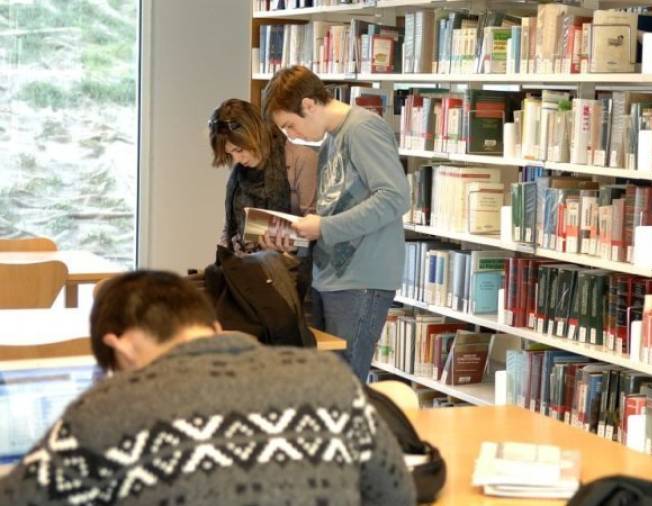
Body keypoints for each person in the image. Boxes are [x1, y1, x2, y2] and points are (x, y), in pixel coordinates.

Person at [0, 271, 416, 506]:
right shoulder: (330, 381)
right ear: (214, 328)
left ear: (119, 346)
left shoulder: (105, 412)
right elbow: (394, 496)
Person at [262, 66, 410, 382]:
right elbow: (335, 208)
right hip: (329, 277)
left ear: (309, 105)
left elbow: (395, 198)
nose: (292, 136)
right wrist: (298, 236)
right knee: (324, 384)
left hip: (361, 280)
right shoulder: (331, 140)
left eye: (290, 125)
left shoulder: (363, 130)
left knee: (343, 386)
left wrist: (324, 228)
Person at [209, 98, 317, 254]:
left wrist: (290, 245)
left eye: (239, 150)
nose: (237, 160)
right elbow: (230, 227)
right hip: (244, 266)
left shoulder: (302, 159)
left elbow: (317, 233)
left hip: (291, 269)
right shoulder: (239, 171)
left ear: (255, 135)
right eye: (230, 153)